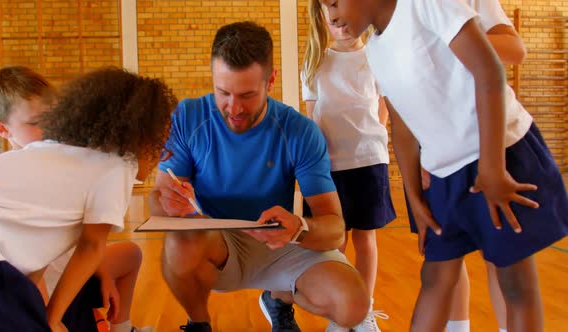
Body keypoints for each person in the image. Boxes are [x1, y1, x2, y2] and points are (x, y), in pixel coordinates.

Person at [320, 0, 568, 331]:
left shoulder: (424, 4)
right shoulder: (375, 51)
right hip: (445, 173)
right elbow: (402, 128)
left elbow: (489, 70)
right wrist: (417, 202)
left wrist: (493, 168)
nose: (331, 14)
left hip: (500, 152)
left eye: (334, 2)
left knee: (514, 280)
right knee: (435, 276)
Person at [149, 21, 369, 332]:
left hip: (281, 245)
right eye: (223, 92)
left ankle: (279, 297)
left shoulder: (300, 131)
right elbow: (156, 205)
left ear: (271, 80)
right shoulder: (188, 117)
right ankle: (199, 324)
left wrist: (300, 228)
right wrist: (166, 203)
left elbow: (335, 230)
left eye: (247, 95)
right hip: (217, 247)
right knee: (179, 241)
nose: (234, 108)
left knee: (353, 306)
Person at [0, 67, 176, 332]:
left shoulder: (52, 152)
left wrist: (45, 315)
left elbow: (35, 253)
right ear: (140, 136)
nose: (160, 154)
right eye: (159, 143)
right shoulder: (115, 168)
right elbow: (91, 247)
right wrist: (52, 318)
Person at [301, 2, 394, 331]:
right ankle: (341, 312)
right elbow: (311, 118)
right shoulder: (316, 62)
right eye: (333, 18)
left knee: (365, 239)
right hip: (330, 167)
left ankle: (363, 310)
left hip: (369, 162)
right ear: (322, 17)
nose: (340, 25)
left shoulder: (376, 57)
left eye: (345, 18)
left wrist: (373, 138)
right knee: (335, 242)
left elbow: (383, 109)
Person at [442, 1, 527, 331]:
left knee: (501, 257)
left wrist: (455, 44)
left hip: (486, 140)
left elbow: (515, 49)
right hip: (438, 149)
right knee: (445, 260)